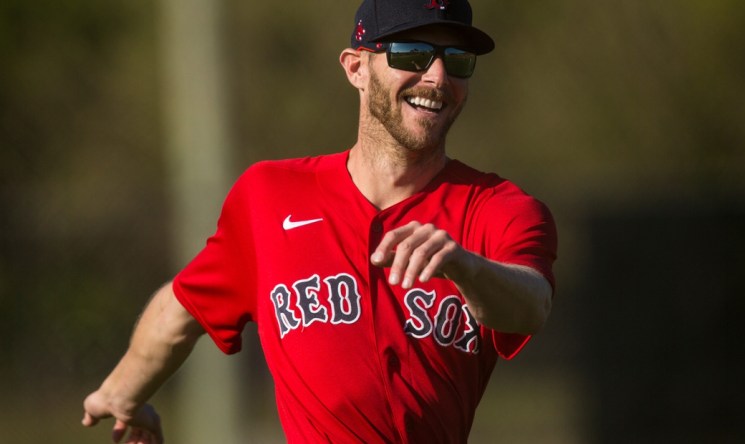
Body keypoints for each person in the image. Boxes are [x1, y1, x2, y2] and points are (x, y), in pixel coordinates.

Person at [82, 0, 558, 442]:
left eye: (457, 60)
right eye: (411, 54)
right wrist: (122, 395)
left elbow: (531, 305)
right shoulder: (269, 196)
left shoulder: (499, 207)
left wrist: (468, 268)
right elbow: (182, 309)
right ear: (357, 68)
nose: (436, 76)